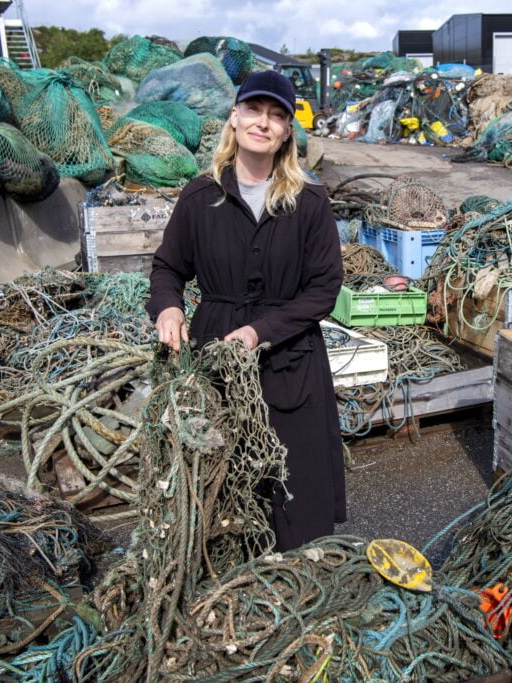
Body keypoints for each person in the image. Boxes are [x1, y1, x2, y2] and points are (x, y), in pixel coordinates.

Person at [146, 70, 346, 551]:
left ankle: (295, 578)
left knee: (295, 497)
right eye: (254, 110)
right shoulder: (200, 196)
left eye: (277, 115)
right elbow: (168, 268)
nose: (263, 122)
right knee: (220, 490)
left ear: (287, 132)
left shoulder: (310, 201)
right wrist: (168, 309)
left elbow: (324, 288)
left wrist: (260, 331)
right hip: (215, 357)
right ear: (234, 118)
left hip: (290, 359)